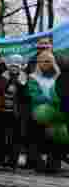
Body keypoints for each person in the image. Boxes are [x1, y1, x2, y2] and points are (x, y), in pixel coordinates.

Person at [26, 40, 62, 173]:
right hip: (39, 112)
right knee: (37, 138)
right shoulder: (33, 77)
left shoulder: (59, 75)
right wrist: (50, 99)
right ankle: (38, 164)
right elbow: (33, 94)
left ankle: (54, 164)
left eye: (49, 61)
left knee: (54, 139)